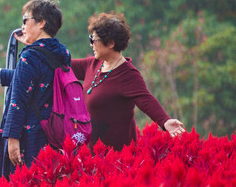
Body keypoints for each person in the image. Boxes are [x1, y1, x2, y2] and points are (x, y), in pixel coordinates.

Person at [0, 0, 71, 178]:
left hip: (29, 136)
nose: (22, 26)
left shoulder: (31, 56)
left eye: (26, 20)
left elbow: (18, 100)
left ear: (41, 23)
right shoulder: (62, 53)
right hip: (52, 133)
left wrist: (12, 139)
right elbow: (32, 80)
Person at [71, 12, 185, 150]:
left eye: (94, 40)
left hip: (116, 156)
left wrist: (165, 121)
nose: (91, 44)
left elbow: (146, 100)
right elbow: (63, 64)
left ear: (111, 43)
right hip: (91, 152)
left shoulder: (128, 75)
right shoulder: (92, 65)